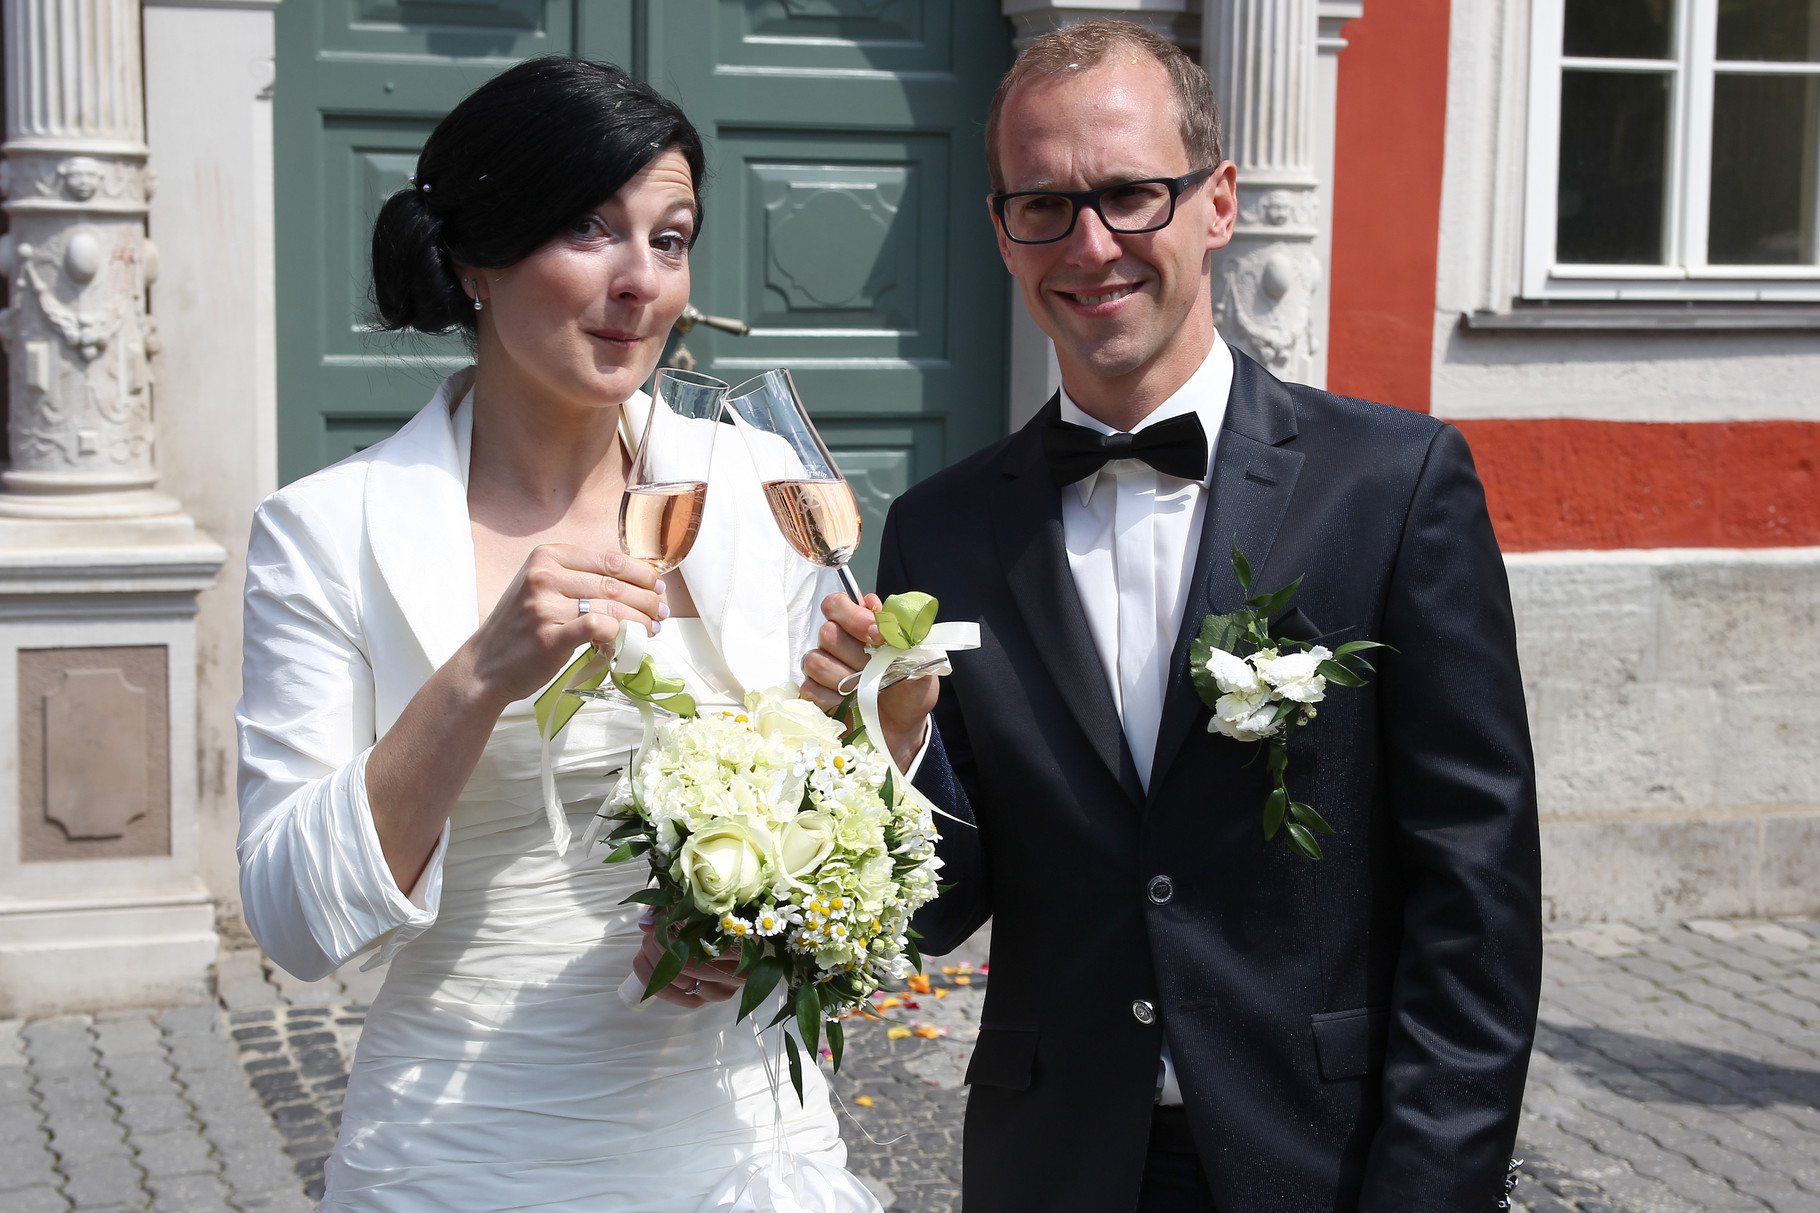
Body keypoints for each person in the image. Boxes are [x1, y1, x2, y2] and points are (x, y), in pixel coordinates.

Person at [804, 20, 1543, 1213]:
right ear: (1000, 230)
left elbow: (1475, 894)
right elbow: (939, 910)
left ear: (1218, 202)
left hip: (1326, 1161)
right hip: (1052, 1168)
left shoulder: (1391, 486)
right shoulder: (941, 529)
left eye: (1128, 194)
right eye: (1042, 205)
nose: (1088, 244)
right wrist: (888, 746)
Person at [236, 57, 855, 1211]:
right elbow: (291, 920)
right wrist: (480, 674)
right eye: (588, 228)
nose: (640, 281)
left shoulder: (754, 479)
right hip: (460, 1148)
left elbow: (834, 805)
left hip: (740, 1142)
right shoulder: (324, 530)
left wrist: (756, 918)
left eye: (669, 239)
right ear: (475, 259)